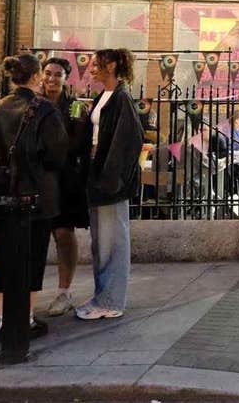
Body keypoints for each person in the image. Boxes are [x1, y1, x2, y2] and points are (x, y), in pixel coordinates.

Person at [0, 55, 69, 342]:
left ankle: (2, 319)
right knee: (32, 258)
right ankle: (28, 318)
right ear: (36, 76)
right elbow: (57, 155)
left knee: (4, 257)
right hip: (38, 195)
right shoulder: (45, 110)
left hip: (4, 193)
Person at [78, 49, 143, 321]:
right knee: (100, 243)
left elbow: (128, 140)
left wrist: (111, 178)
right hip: (98, 177)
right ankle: (102, 296)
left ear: (112, 65)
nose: (91, 68)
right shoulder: (103, 96)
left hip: (109, 182)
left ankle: (111, 300)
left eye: (97, 63)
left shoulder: (121, 98)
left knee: (112, 242)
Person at [39, 58, 91, 317]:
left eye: (57, 74)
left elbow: (77, 139)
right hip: (36, 176)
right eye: (48, 73)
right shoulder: (33, 103)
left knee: (62, 232)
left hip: (64, 177)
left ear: (66, 78)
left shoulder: (73, 107)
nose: (51, 79)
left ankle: (64, 291)